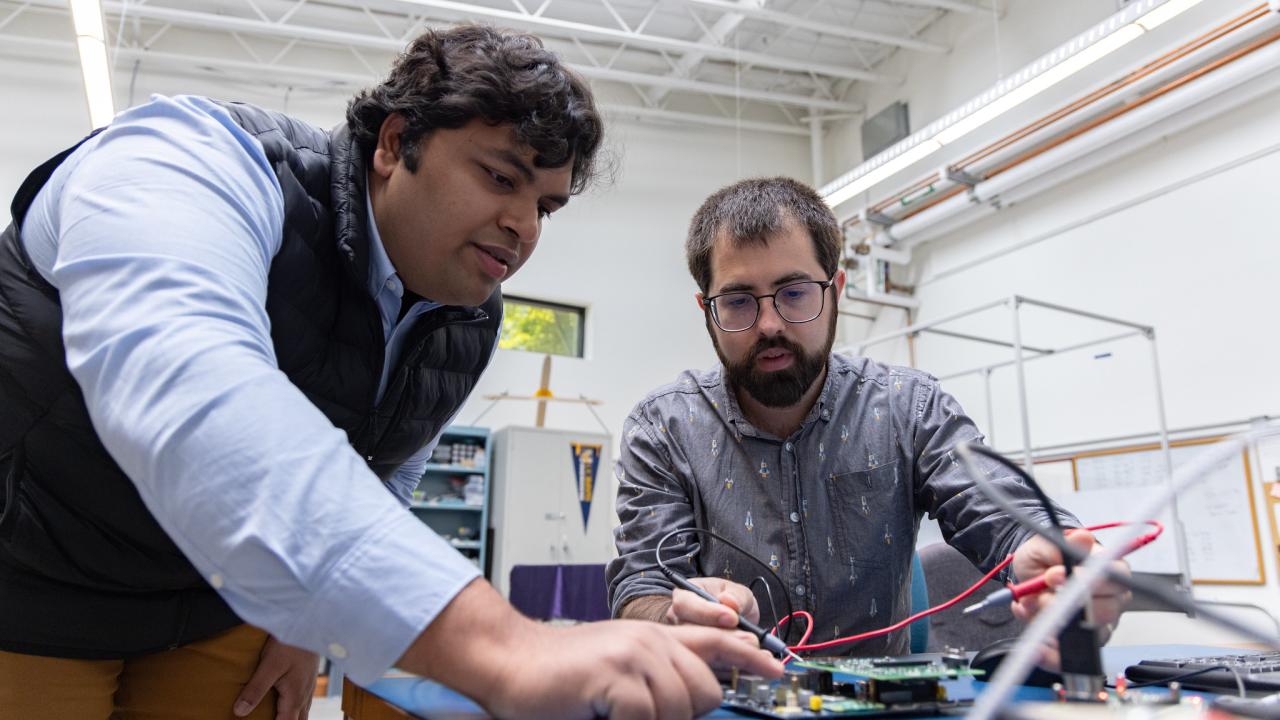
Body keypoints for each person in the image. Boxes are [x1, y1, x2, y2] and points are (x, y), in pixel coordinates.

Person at [0, 25, 780, 720]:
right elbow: (189, 387)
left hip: (215, 606)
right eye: (502, 178)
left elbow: (384, 470)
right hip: (30, 586)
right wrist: (503, 644)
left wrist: (311, 617)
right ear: (393, 142)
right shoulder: (194, 160)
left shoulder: (467, 315)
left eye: (546, 206)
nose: (524, 226)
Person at [606, 177, 1131, 668]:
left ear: (835, 289)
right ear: (706, 309)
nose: (769, 324)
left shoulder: (908, 407)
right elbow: (641, 589)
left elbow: (997, 509)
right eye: (739, 301)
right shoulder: (664, 428)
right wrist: (675, 615)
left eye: (794, 293)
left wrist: (1057, 562)